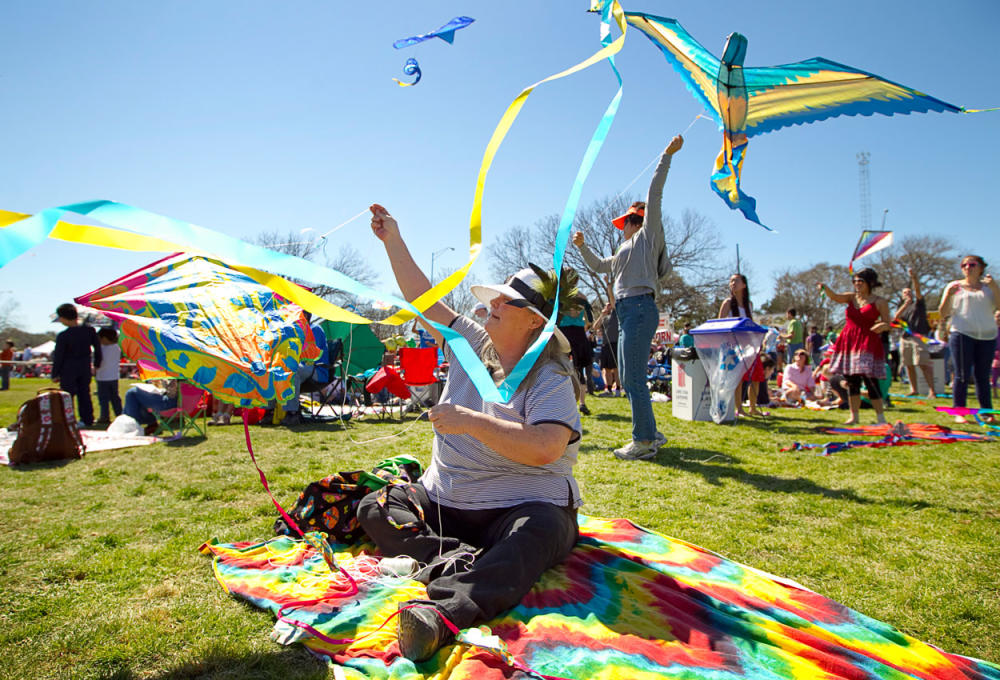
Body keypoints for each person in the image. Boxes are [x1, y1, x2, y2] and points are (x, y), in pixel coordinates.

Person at [358, 204, 582, 662]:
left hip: (519, 508)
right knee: (377, 506)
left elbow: (545, 448)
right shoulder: (468, 343)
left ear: (536, 321)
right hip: (447, 504)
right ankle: (454, 557)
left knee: (536, 532)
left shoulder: (550, 377)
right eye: (494, 298)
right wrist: (392, 241)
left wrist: (471, 421)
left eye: (507, 302)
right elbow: (424, 298)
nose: (492, 305)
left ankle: (443, 612)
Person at [573, 134, 683, 460]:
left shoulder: (648, 237)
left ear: (638, 221)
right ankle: (650, 432)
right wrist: (581, 246)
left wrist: (666, 155)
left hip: (638, 308)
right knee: (628, 377)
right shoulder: (622, 250)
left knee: (633, 377)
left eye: (631, 220)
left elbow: (655, 193)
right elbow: (597, 265)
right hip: (626, 311)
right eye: (628, 221)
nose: (627, 225)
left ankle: (644, 442)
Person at [817, 269, 891, 425]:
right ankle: (854, 416)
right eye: (855, 281)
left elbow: (888, 323)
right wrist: (825, 287)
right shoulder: (851, 298)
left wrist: (881, 327)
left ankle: (880, 418)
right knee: (852, 381)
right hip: (848, 341)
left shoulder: (879, 301)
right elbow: (835, 297)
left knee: (871, 381)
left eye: (860, 281)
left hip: (867, 342)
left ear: (870, 283)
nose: (857, 284)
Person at [938, 254, 1000, 423]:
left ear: (981, 268)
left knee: (982, 375)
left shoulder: (989, 288)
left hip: (987, 336)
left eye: (972, 264)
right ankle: (959, 411)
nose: (967, 267)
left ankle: (986, 412)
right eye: (964, 265)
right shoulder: (954, 286)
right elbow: (943, 313)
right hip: (962, 333)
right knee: (962, 374)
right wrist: (950, 295)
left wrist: (994, 288)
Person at [718, 273, 763, 417]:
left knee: (755, 378)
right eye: (730, 281)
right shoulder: (727, 303)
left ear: (744, 284)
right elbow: (720, 324)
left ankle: (753, 407)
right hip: (733, 346)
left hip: (750, 345)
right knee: (738, 379)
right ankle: (739, 409)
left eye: (735, 281)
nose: (732, 283)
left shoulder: (749, 305)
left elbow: (751, 323)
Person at [51, 303, 102, 427]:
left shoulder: (63, 336)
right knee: (84, 393)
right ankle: (87, 419)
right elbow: (98, 348)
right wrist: (96, 363)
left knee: (67, 396)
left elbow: (59, 356)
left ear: (63, 318)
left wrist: (55, 373)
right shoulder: (89, 331)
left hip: (68, 368)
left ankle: (68, 419)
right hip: (84, 366)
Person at [893, 267, 936, 398]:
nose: (908, 294)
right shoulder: (904, 308)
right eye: (905, 293)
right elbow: (895, 318)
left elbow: (917, 289)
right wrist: (905, 304)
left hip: (919, 336)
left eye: (909, 292)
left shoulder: (919, 304)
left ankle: (932, 391)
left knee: (922, 363)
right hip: (905, 338)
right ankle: (914, 389)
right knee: (908, 364)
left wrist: (914, 278)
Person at [558, 288, 594, 415]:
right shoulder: (582, 297)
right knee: (579, 371)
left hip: (564, 333)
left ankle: (564, 403)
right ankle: (582, 403)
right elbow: (589, 319)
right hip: (579, 334)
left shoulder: (560, 294)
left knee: (560, 369)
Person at [95, 328, 123, 424]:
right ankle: (119, 414)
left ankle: (104, 416)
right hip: (114, 376)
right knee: (115, 397)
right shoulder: (117, 348)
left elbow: (99, 362)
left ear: (104, 338)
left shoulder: (101, 349)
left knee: (103, 399)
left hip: (102, 377)